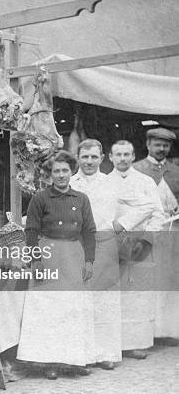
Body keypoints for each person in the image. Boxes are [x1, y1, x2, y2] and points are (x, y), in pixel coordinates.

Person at [18, 150, 96, 379]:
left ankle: (73, 361)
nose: (61, 175)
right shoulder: (40, 198)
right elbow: (30, 230)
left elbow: (89, 231)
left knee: (72, 309)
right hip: (48, 253)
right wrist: (36, 260)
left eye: (65, 170)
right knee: (49, 309)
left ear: (72, 172)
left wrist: (89, 260)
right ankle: (49, 361)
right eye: (56, 171)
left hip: (73, 254)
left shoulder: (81, 199)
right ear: (49, 174)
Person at [106, 140, 165, 359]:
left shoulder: (146, 181)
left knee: (137, 296)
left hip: (140, 244)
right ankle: (112, 344)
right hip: (111, 243)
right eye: (118, 154)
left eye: (127, 154)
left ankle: (135, 342)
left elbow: (158, 213)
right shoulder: (103, 181)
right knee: (113, 295)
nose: (122, 158)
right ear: (110, 157)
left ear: (133, 156)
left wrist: (147, 239)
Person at [70, 139, 122, 370]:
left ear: (102, 159)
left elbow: (140, 207)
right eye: (85, 157)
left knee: (105, 299)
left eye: (93, 157)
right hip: (77, 245)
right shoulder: (69, 183)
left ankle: (107, 353)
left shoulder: (114, 183)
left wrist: (121, 225)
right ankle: (81, 356)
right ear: (78, 158)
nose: (89, 161)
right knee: (79, 300)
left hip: (104, 243)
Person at [133, 128, 179, 347]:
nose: (162, 149)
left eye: (166, 145)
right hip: (147, 234)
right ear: (148, 144)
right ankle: (146, 331)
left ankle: (169, 330)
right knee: (147, 280)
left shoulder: (176, 171)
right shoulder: (136, 170)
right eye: (158, 144)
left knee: (170, 281)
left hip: (173, 235)